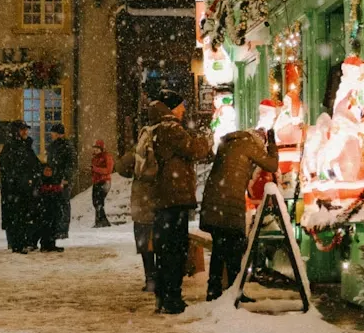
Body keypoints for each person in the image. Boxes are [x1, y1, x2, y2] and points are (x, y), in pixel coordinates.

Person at [200, 121, 279, 301]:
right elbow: (272, 165)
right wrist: (272, 145)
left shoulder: (230, 143)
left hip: (214, 202)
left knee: (220, 248)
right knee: (235, 247)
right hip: (228, 203)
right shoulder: (249, 144)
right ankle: (234, 292)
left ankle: (214, 291)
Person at [151, 90, 212, 314]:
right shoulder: (171, 128)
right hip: (174, 198)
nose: (184, 109)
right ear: (172, 107)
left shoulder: (157, 128)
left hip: (164, 198)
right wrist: (207, 139)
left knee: (164, 250)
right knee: (174, 250)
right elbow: (194, 149)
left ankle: (163, 295)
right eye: (181, 105)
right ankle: (172, 298)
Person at [116, 99, 167, 292]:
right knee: (161, 243)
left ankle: (150, 279)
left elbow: (121, 166)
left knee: (145, 244)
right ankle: (161, 278)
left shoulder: (142, 141)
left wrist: (136, 171)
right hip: (160, 200)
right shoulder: (165, 138)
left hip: (141, 202)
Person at [0, 120, 42, 252]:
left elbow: (34, 165)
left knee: (26, 216)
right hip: (15, 191)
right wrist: (22, 180)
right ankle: (17, 243)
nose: (25, 132)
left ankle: (26, 242)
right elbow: (8, 170)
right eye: (22, 129)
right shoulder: (10, 148)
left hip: (26, 190)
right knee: (16, 217)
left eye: (26, 129)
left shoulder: (26, 147)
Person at [47, 123, 77, 241]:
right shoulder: (53, 146)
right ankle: (56, 229)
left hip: (63, 180)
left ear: (58, 134)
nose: (51, 135)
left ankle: (63, 230)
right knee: (56, 204)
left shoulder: (67, 146)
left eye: (53, 133)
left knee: (63, 203)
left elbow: (71, 164)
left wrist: (66, 178)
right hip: (54, 179)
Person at [38, 163, 65, 251]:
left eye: (50, 170)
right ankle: (45, 244)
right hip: (44, 207)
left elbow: (59, 193)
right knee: (46, 226)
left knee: (53, 225)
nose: (48, 172)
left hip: (53, 206)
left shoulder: (54, 180)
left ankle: (51, 243)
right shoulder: (41, 181)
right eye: (46, 170)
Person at [91, 139, 114, 227]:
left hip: (104, 181)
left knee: (99, 202)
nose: (95, 150)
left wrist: (95, 169)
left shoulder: (107, 156)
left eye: (97, 148)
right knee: (96, 202)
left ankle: (102, 222)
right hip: (96, 182)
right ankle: (100, 222)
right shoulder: (94, 158)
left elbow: (108, 170)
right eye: (94, 148)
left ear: (101, 149)